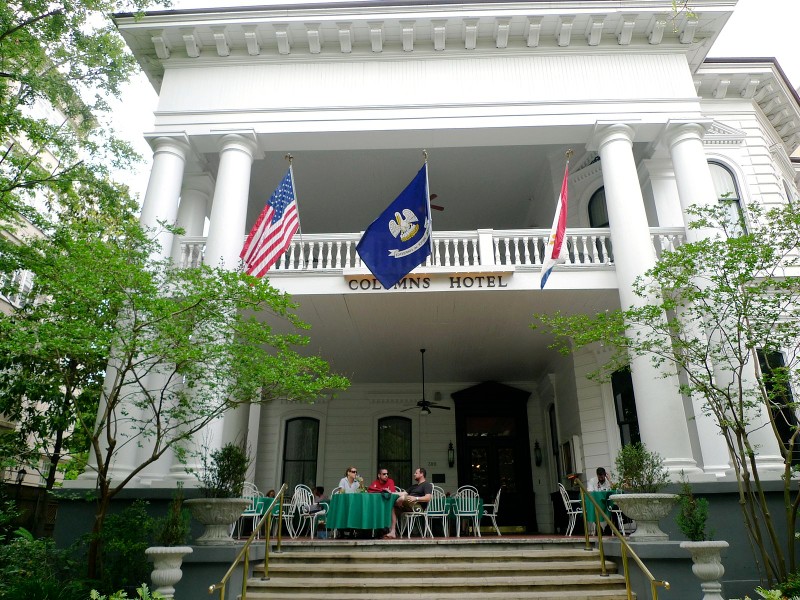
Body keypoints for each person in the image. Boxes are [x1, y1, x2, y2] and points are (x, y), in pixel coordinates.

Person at [384, 467, 433, 539]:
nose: (414, 474)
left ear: (422, 474)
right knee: (393, 508)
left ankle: (398, 503)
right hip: (408, 504)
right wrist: (391, 493)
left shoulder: (427, 485)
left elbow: (428, 498)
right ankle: (393, 532)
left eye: (416, 473)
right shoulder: (414, 486)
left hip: (418, 506)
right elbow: (403, 493)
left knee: (403, 498)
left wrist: (416, 498)